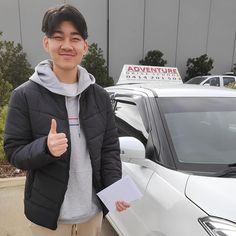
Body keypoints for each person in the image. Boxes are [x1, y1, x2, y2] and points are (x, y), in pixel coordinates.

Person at [4, 4, 130, 236]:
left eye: (75, 38)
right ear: (46, 43)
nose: (66, 45)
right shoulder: (24, 95)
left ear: (85, 46)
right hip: (49, 219)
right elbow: (14, 152)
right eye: (58, 37)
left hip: (91, 215)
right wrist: (45, 148)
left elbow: (109, 149)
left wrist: (114, 187)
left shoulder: (100, 96)